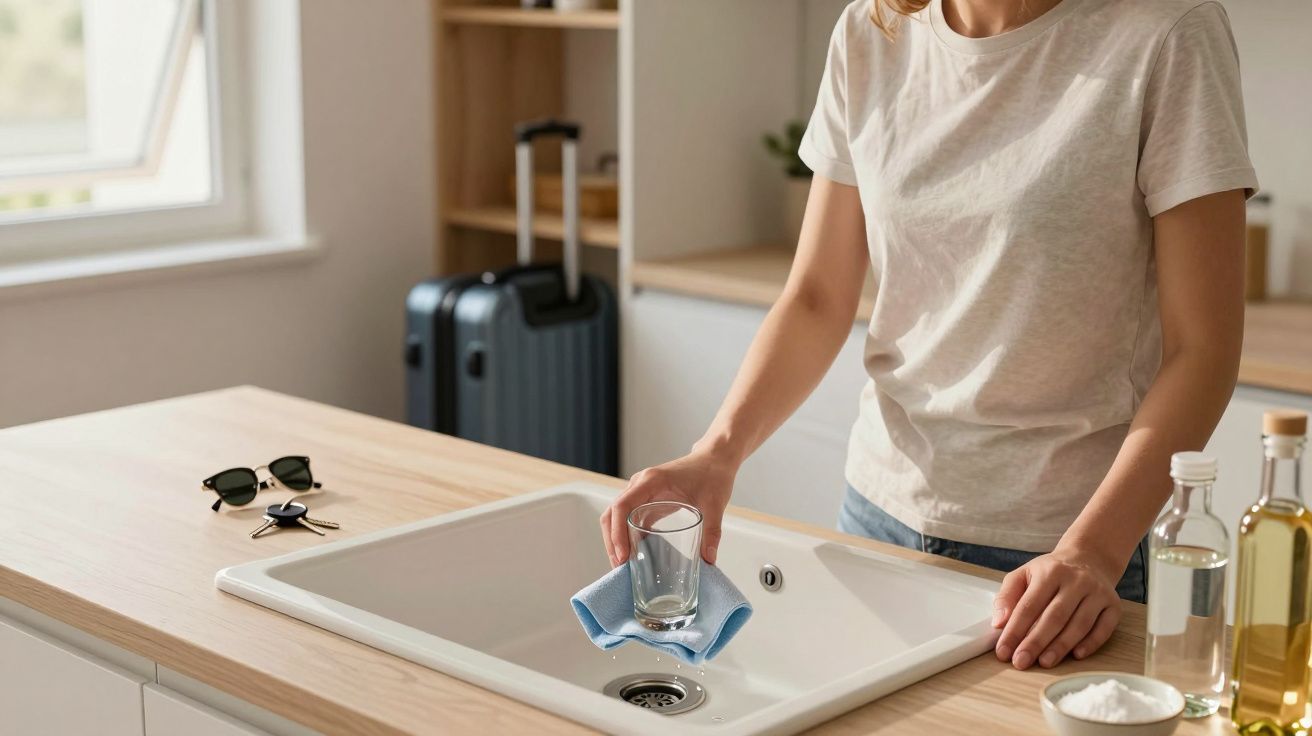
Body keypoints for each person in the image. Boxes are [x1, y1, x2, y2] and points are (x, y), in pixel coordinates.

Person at [602, 0, 1255, 671]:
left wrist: (1093, 552)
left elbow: (1201, 351)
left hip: (1064, 560)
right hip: (878, 525)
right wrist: (717, 453)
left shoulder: (1167, 32)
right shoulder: (872, 33)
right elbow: (818, 296)